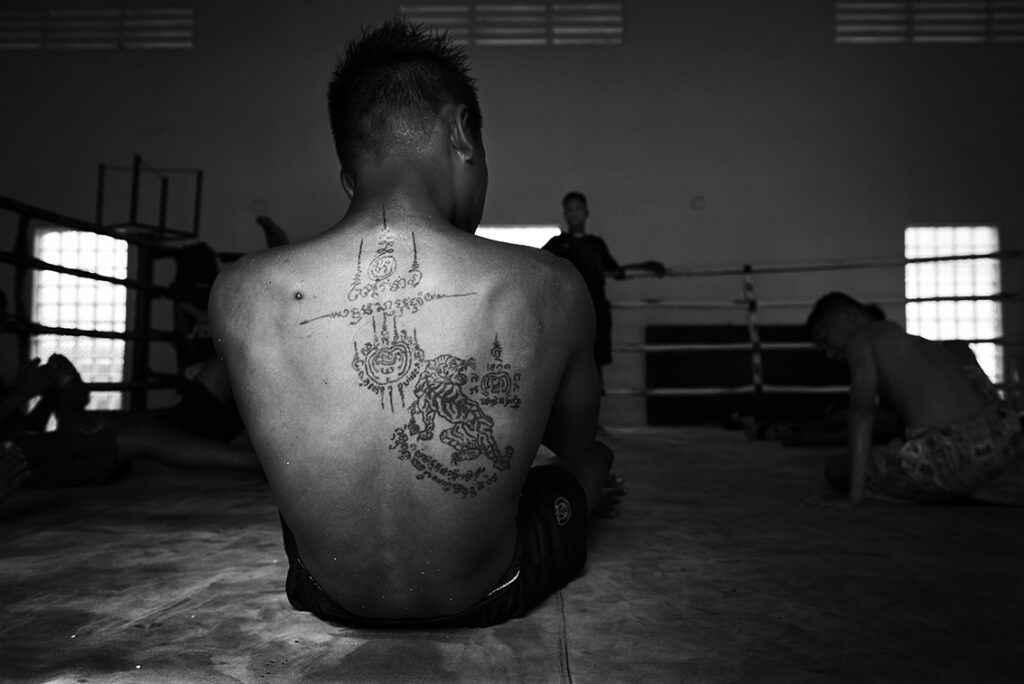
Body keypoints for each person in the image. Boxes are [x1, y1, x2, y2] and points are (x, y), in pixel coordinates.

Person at [208, 21, 620, 629]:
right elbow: (573, 441)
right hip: (484, 591)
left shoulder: (240, 292)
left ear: (350, 176)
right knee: (594, 463)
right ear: (462, 133)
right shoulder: (551, 284)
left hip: (328, 592)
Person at [806, 291, 1021, 505]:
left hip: (945, 460)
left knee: (838, 469)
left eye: (825, 339)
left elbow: (861, 416)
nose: (829, 354)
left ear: (845, 316)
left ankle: (952, 483)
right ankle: (971, 481)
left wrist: (854, 497)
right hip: (1001, 440)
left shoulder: (861, 339)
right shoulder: (924, 346)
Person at [542, 191, 665, 386]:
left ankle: (593, 403)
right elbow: (540, 266)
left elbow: (615, 271)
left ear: (586, 212)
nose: (574, 213)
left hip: (598, 313)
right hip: (570, 314)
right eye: (570, 209)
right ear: (565, 214)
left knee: (595, 369)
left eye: (578, 208)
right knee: (570, 367)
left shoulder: (596, 245)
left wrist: (646, 266)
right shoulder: (556, 245)